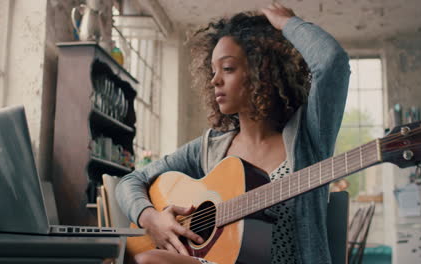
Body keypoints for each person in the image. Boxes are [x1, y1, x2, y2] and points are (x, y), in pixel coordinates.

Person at [116, 3, 350, 264]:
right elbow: (130, 182)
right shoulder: (208, 148)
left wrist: (287, 23)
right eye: (213, 71)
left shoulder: (308, 135)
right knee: (138, 258)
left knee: (149, 261)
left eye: (227, 69)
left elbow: (332, 63)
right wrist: (152, 219)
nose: (215, 80)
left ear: (263, 71)